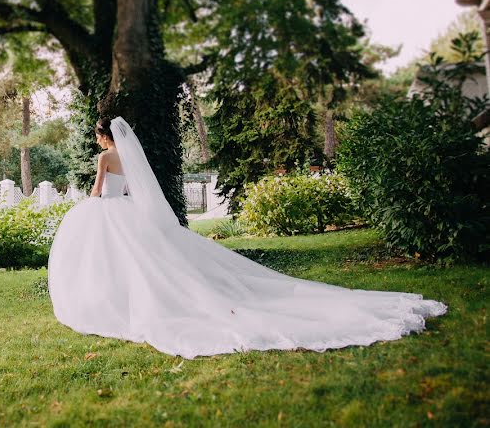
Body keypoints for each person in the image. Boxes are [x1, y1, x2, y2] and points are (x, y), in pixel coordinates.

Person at [47, 117, 446, 359]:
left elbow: (100, 191)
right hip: (129, 213)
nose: (99, 142)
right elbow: (134, 191)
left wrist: (91, 202)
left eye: (99, 137)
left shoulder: (104, 158)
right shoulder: (132, 157)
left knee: (115, 262)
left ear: (104, 137)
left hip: (107, 211)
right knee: (144, 261)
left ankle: (113, 301)